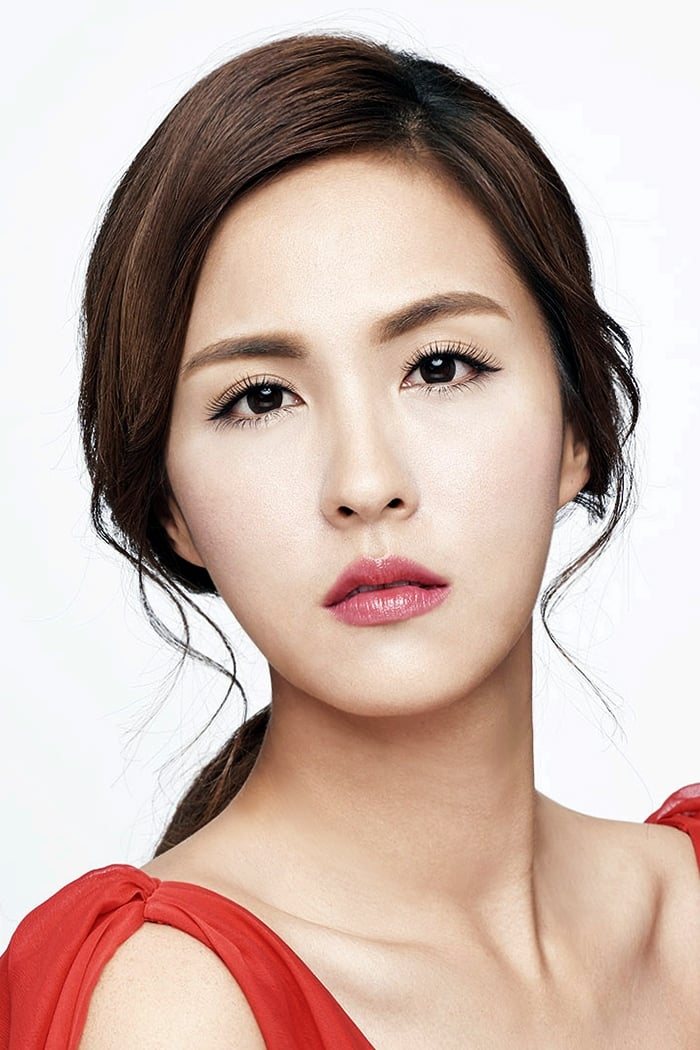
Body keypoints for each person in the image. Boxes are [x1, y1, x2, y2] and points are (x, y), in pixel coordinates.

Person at [1, 31, 699, 1049]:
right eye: (259, 398)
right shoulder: (172, 1008)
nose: (364, 484)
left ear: (578, 427)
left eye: (441, 366)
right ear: (171, 506)